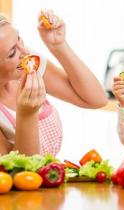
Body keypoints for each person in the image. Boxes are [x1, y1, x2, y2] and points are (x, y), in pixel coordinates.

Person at [0, 10, 108, 156]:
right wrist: (27, 115)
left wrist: (58, 45)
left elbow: (97, 100)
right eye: (12, 53)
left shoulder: (26, 64)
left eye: (19, 38)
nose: (24, 51)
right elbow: (16, 172)